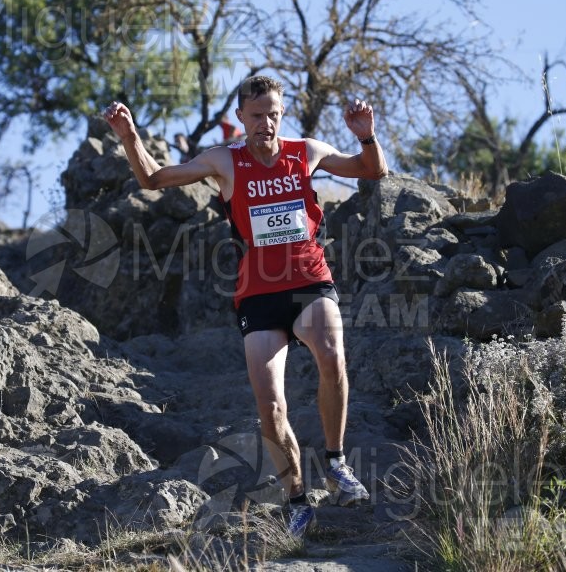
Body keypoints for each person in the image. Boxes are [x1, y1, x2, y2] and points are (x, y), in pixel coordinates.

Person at [103, 75, 388, 537]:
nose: (266, 123)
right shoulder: (224, 160)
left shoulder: (306, 151)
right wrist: (129, 136)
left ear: (282, 112)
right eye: (256, 116)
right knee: (270, 406)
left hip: (309, 283)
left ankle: (335, 463)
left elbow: (373, 170)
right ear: (240, 118)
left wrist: (367, 135)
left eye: (273, 113)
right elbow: (153, 179)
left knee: (333, 355)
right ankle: (297, 500)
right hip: (257, 294)